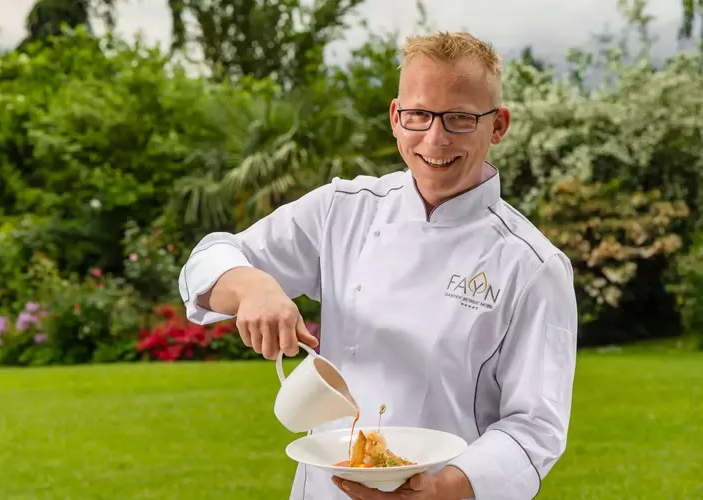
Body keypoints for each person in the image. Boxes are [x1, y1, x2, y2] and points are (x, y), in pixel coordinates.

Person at [178, 31, 578, 500]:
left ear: (498, 125)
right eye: (418, 115)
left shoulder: (533, 265)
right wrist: (253, 288)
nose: (435, 137)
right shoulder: (343, 210)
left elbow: (535, 428)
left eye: (460, 119)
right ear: (395, 117)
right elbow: (207, 261)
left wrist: (442, 489)